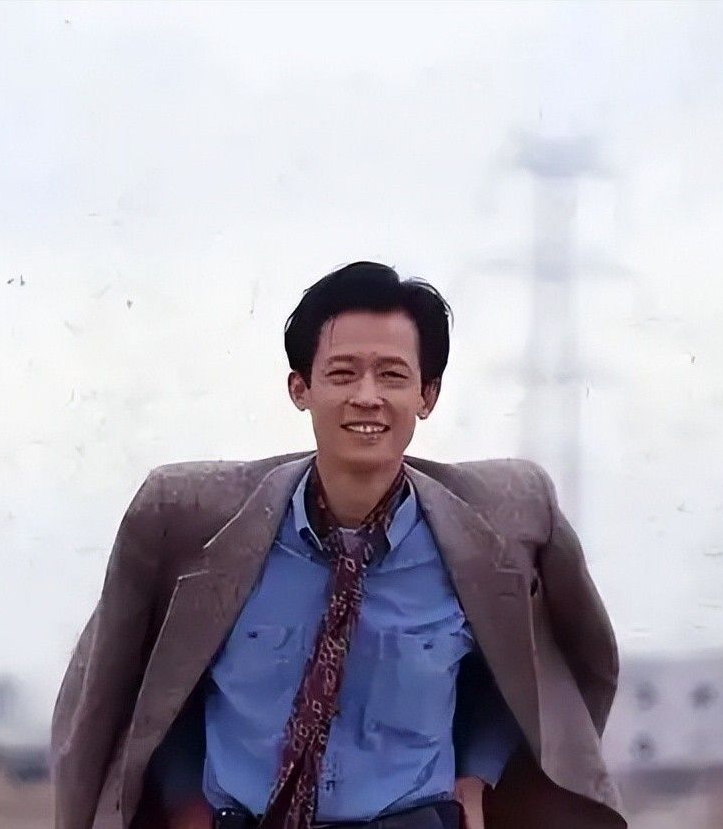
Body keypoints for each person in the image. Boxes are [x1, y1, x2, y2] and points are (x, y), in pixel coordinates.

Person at [51, 262, 624, 829]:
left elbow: (522, 669)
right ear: (300, 388)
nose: (367, 397)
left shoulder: (488, 536)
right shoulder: (203, 532)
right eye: (343, 373)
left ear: (427, 395)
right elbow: (159, 680)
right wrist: (183, 802)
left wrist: (477, 774)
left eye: (393, 376)